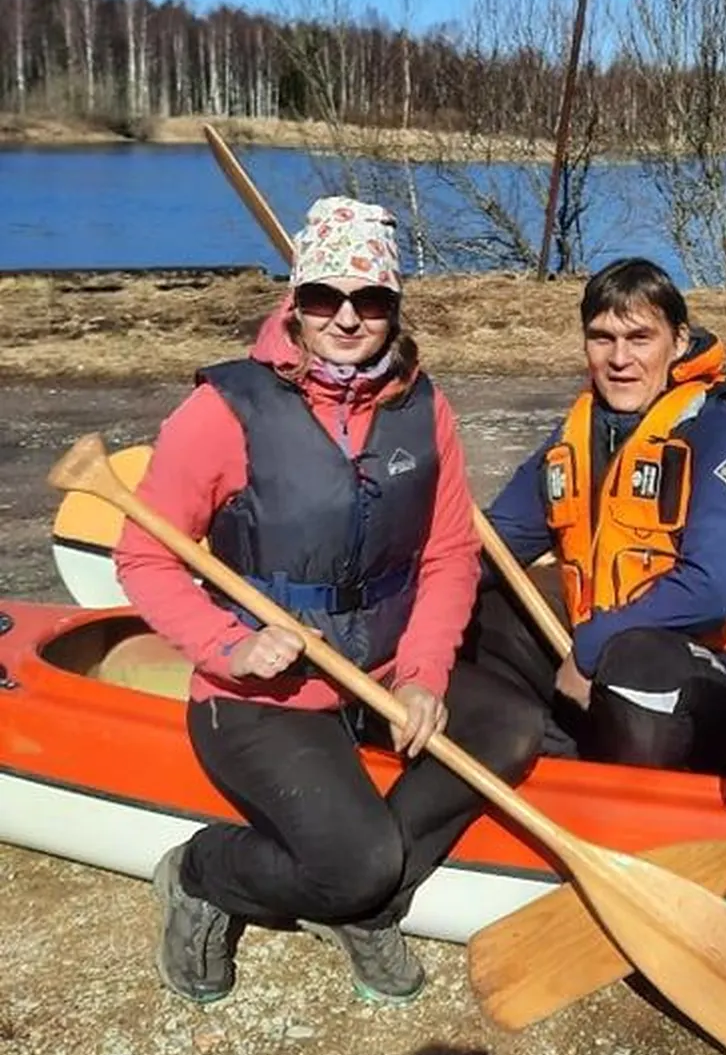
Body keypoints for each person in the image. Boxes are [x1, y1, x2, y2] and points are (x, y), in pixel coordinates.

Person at [116, 197, 521, 1007]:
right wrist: (230, 645)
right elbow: (145, 555)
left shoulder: (421, 407)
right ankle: (204, 875)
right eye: (323, 297)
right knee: (355, 860)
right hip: (262, 694)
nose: (346, 317)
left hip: (376, 665)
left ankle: (362, 904)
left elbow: (447, 554)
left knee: (507, 727)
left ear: (393, 308)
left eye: (369, 300)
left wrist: (426, 675)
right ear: (294, 303)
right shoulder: (224, 410)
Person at [466, 256, 726, 774]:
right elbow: (491, 548)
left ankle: (627, 792)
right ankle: (541, 751)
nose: (619, 359)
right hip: (597, 660)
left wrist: (591, 646)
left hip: (703, 675)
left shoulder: (715, 430)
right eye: (602, 338)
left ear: (677, 342)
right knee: (476, 608)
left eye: (639, 338)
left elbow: (715, 589)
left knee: (635, 663)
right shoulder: (575, 437)